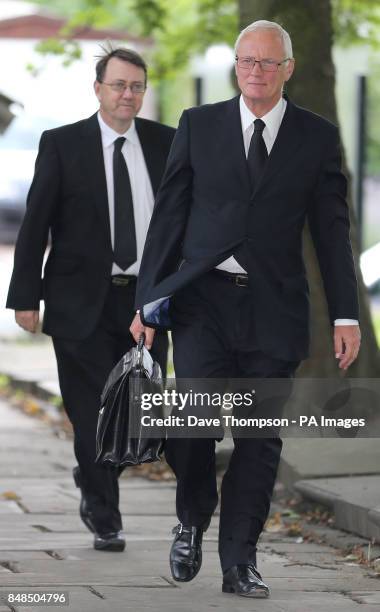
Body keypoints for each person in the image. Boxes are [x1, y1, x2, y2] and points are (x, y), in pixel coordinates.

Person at [130, 20, 361, 597]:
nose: (255, 73)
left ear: (288, 69)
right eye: (246, 62)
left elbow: (332, 233)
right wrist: (147, 300)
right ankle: (191, 517)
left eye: (267, 63)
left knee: (259, 441)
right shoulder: (199, 125)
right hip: (202, 305)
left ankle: (240, 561)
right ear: (236, 65)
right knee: (196, 425)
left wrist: (346, 315)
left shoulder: (315, 136)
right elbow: (169, 218)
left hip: (274, 312)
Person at [7, 46, 175, 552]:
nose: (128, 94)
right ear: (98, 88)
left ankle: (94, 477)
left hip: (147, 304)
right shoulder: (63, 144)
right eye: (119, 84)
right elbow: (35, 222)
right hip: (80, 301)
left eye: (137, 87)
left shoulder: (168, 144)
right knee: (90, 414)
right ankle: (106, 516)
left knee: (136, 414)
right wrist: (25, 296)